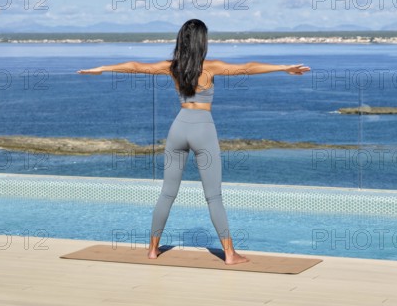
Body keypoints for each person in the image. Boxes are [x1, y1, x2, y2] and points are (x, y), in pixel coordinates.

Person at [78, 19, 310, 265]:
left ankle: (152, 250)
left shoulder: (172, 67)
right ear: (202, 42)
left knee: (167, 193)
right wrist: (283, 67)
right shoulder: (211, 67)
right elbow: (248, 67)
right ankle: (230, 254)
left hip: (178, 126)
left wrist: (101, 68)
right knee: (213, 196)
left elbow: (136, 65)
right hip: (203, 128)